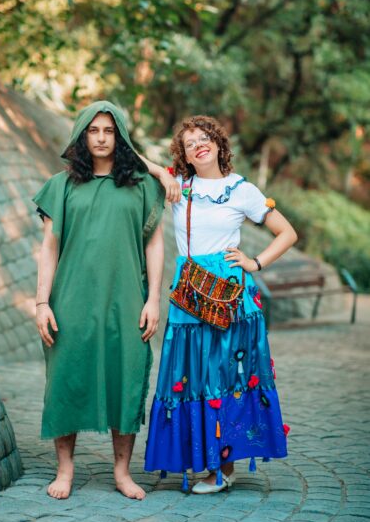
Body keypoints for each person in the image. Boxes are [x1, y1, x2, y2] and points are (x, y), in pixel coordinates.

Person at [144, 115, 298, 494]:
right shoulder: (179, 186)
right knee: (193, 376)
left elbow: (287, 232)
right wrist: (162, 173)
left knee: (225, 377)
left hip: (231, 297)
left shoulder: (242, 190)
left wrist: (255, 262)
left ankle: (221, 468)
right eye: (189, 143)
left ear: (218, 144)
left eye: (204, 138)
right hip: (190, 294)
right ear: (184, 156)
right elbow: (133, 160)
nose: (198, 145)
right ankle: (207, 461)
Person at [33, 101, 168, 500]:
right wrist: (42, 302)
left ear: (120, 136)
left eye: (109, 130)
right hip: (70, 300)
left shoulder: (142, 186)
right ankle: (65, 469)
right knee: (66, 377)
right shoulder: (60, 186)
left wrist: (153, 299)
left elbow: (154, 244)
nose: (102, 138)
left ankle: (122, 472)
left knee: (126, 377)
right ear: (82, 135)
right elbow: (49, 248)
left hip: (127, 301)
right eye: (93, 130)